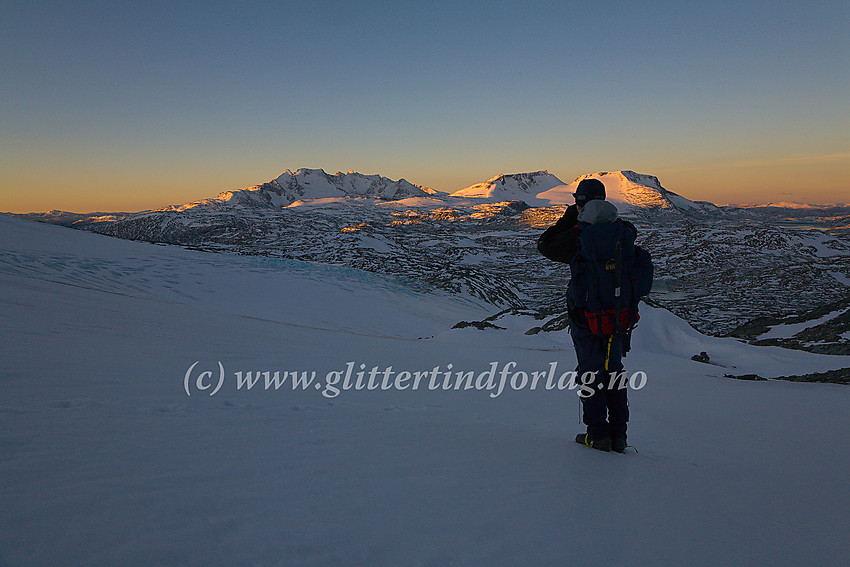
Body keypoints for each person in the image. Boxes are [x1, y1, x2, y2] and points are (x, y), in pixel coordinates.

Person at [537, 178, 644, 453]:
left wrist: (572, 216)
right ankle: (619, 436)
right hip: (619, 317)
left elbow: (546, 245)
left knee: (589, 373)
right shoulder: (624, 231)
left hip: (586, 318)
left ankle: (596, 434)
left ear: (580, 201)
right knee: (614, 371)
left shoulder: (579, 236)